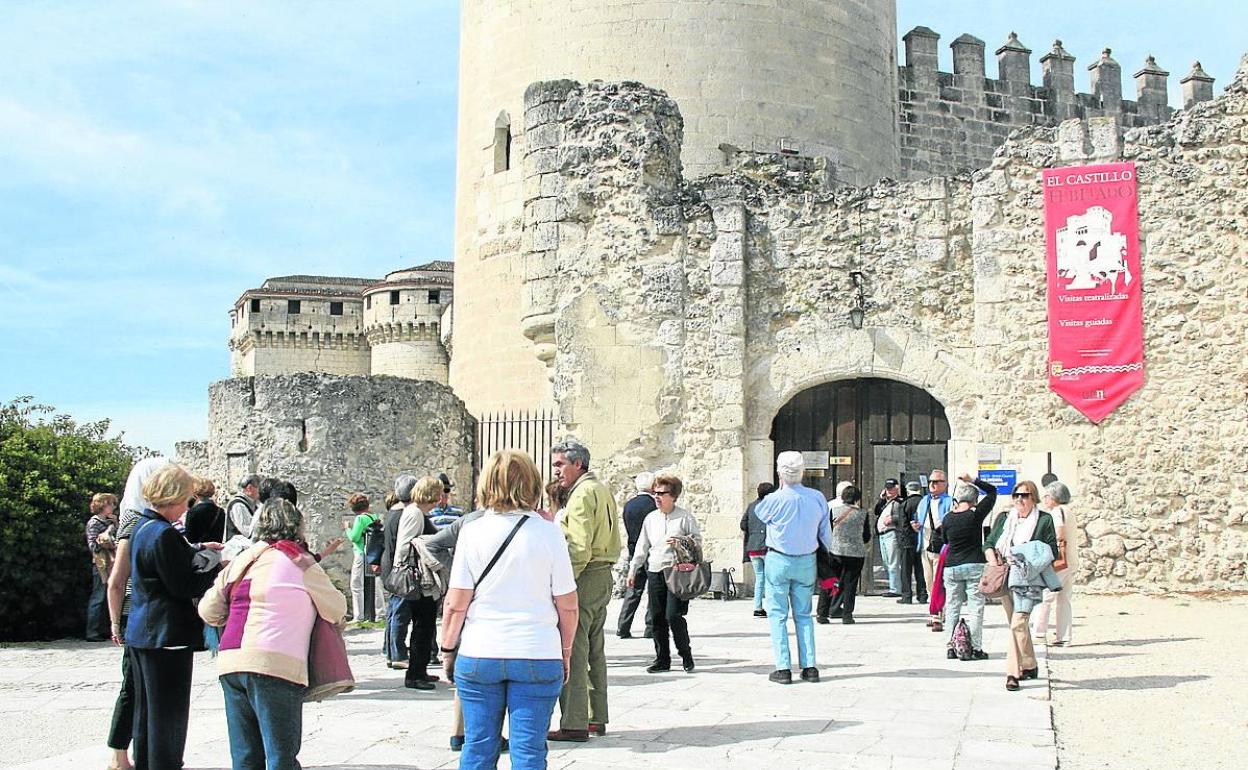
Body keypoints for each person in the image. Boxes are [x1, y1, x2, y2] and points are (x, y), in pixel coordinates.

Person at [439, 449, 579, 770]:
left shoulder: (472, 532)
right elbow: (568, 605)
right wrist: (566, 650)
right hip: (537, 650)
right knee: (529, 751)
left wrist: (448, 648)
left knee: (477, 748)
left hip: (481, 649)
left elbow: (455, 603)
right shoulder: (549, 533)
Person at [199, 497, 347, 770]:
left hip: (232, 660)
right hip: (275, 664)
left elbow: (208, 610)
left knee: (245, 757)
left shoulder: (243, 559)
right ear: (297, 527)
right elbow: (337, 608)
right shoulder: (300, 561)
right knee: (280, 756)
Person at [124, 463, 222, 770]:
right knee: (168, 717)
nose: (187, 506)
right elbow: (182, 585)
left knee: (147, 715)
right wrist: (219, 570)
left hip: (143, 630)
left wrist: (194, 550)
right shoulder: (163, 533)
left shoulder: (143, 526)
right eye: (186, 499)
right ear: (174, 496)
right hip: (166, 633)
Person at [548, 439, 620, 742]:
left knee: (574, 649)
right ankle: (595, 715)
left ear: (578, 464)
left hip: (585, 575)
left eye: (560, 464)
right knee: (594, 648)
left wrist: (562, 586)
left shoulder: (580, 495)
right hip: (601, 573)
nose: (555, 471)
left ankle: (575, 721)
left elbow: (578, 547)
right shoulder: (600, 489)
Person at [104, 456, 166, 770]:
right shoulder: (135, 519)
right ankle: (118, 754)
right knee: (132, 684)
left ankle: (134, 753)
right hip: (136, 611)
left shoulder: (141, 518)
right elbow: (117, 581)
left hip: (138, 611)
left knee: (138, 685)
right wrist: (116, 621)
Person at [754, 451, 834, 685]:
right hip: (807, 560)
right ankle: (809, 667)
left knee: (778, 615)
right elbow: (825, 534)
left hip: (779, 559)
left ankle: (783, 668)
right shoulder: (817, 497)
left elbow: (762, 515)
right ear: (803, 472)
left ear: (780, 472)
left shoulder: (772, 500)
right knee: (804, 615)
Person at [985, 479, 1058, 691]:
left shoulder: (1043, 520)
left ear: (1033, 498)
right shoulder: (1005, 519)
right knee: (1016, 625)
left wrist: (1028, 552)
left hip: (1028, 578)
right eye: (1016, 495)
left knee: (1017, 623)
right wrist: (992, 557)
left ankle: (1012, 673)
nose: (1019, 499)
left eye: (1024, 495)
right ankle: (1030, 664)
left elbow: (1052, 549)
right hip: (1006, 575)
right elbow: (989, 542)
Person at [629, 474, 701, 673]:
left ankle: (685, 654)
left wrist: (682, 541)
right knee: (657, 617)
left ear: (674, 495)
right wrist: (633, 569)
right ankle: (662, 659)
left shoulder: (684, 517)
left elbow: (698, 543)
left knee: (674, 615)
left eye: (662, 493)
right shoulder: (651, 519)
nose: (657, 497)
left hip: (677, 572)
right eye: (655, 493)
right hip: (655, 571)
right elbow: (642, 546)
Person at [382, 475, 443, 690]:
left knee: (424, 626)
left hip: (417, 575)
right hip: (417, 577)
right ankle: (415, 674)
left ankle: (420, 670)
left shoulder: (415, 512)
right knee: (422, 626)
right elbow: (406, 545)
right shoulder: (415, 513)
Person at [940, 475, 998, 660]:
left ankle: (951, 645)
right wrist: (974, 479)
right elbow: (992, 492)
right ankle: (975, 647)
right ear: (974, 500)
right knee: (976, 608)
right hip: (973, 562)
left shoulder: (948, 518)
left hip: (952, 565)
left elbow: (944, 540)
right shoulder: (975, 515)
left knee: (952, 607)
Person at [1031, 481, 1078, 646]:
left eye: (1047, 496)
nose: (1045, 499)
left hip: (1059, 561)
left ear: (1054, 498)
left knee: (1046, 597)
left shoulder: (1057, 512)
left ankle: (1039, 633)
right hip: (1071, 560)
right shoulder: (1069, 512)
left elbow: (1059, 533)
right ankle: (1064, 636)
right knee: (1064, 599)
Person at [820, 485, 870, 624]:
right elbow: (866, 536)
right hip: (855, 553)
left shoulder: (833, 511)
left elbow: (827, 531)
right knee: (850, 584)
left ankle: (822, 613)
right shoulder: (863, 514)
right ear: (857, 498)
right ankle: (847, 615)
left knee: (830, 582)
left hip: (835, 551)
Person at [617, 472, 656, 639]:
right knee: (654, 592)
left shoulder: (629, 505)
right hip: (652, 552)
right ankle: (650, 628)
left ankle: (623, 626)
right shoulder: (654, 506)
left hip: (634, 551)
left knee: (633, 590)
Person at [917, 470, 952, 631]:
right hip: (925, 545)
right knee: (929, 582)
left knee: (940, 582)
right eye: (931, 481)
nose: (933, 484)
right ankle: (936, 610)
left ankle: (936, 615)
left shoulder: (950, 501)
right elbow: (919, 519)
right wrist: (915, 525)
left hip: (941, 546)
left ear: (945, 484)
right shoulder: (924, 501)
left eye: (937, 481)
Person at [344, 493, 386, 622]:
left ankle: (359, 615)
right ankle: (380, 612)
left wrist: (347, 529)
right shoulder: (373, 517)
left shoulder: (360, 519)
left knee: (356, 584)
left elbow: (354, 537)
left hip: (361, 552)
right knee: (374, 584)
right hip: (373, 553)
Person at [86, 493, 120, 641]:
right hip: (102, 565)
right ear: (102, 506)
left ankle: (106, 629)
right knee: (98, 597)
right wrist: (107, 537)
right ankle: (92, 632)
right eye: (110, 504)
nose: (113, 507)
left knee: (110, 597)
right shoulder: (94, 523)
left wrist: (115, 525)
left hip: (113, 563)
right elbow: (93, 545)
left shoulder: (110, 521)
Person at [380, 489, 407, 668]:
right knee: (399, 611)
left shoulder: (391, 514)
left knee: (392, 611)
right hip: (397, 568)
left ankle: (389, 650)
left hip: (388, 565)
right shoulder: (402, 515)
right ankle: (397, 653)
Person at [740, 482, 774, 618]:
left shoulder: (751, 506)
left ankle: (758, 607)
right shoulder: (771, 507)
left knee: (760, 578)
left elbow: (743, 524)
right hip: (767, 547)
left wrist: (754, 532)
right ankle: (772, 606)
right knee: (771, 579)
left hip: (753, 548)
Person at [895, 481, 924, 604]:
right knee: (921, 569)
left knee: (906, 570)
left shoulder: (905, 504)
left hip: (907, 541)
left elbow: (903, 525)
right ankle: (922, 594)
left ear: (908, 491)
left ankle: (906, 596)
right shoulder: (924, 502)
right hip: (922, 540)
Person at [874, 479, 903, 597]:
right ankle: (893, 585)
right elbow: (877, 511)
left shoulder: (899, 502)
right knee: (886, 562)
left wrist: (893, 519)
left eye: (891, 488)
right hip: (883, 535)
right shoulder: (886, 502)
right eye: (887, 488)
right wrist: (881, 499)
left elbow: (903, 516)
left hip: (891, 533)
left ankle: (895, 588)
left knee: (893, 562)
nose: (889, 491)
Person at [184, 477, 225, 545]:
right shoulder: (220, 511)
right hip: (216, 551)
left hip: (198, 551)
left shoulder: (193, 512)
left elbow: (189, 538)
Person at [226, 474, 262, 540]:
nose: (261, 492)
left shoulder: (255, 504)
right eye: (259, 488)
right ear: (249, 488)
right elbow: (248, 531)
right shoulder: (238, 505)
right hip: (237, 547)